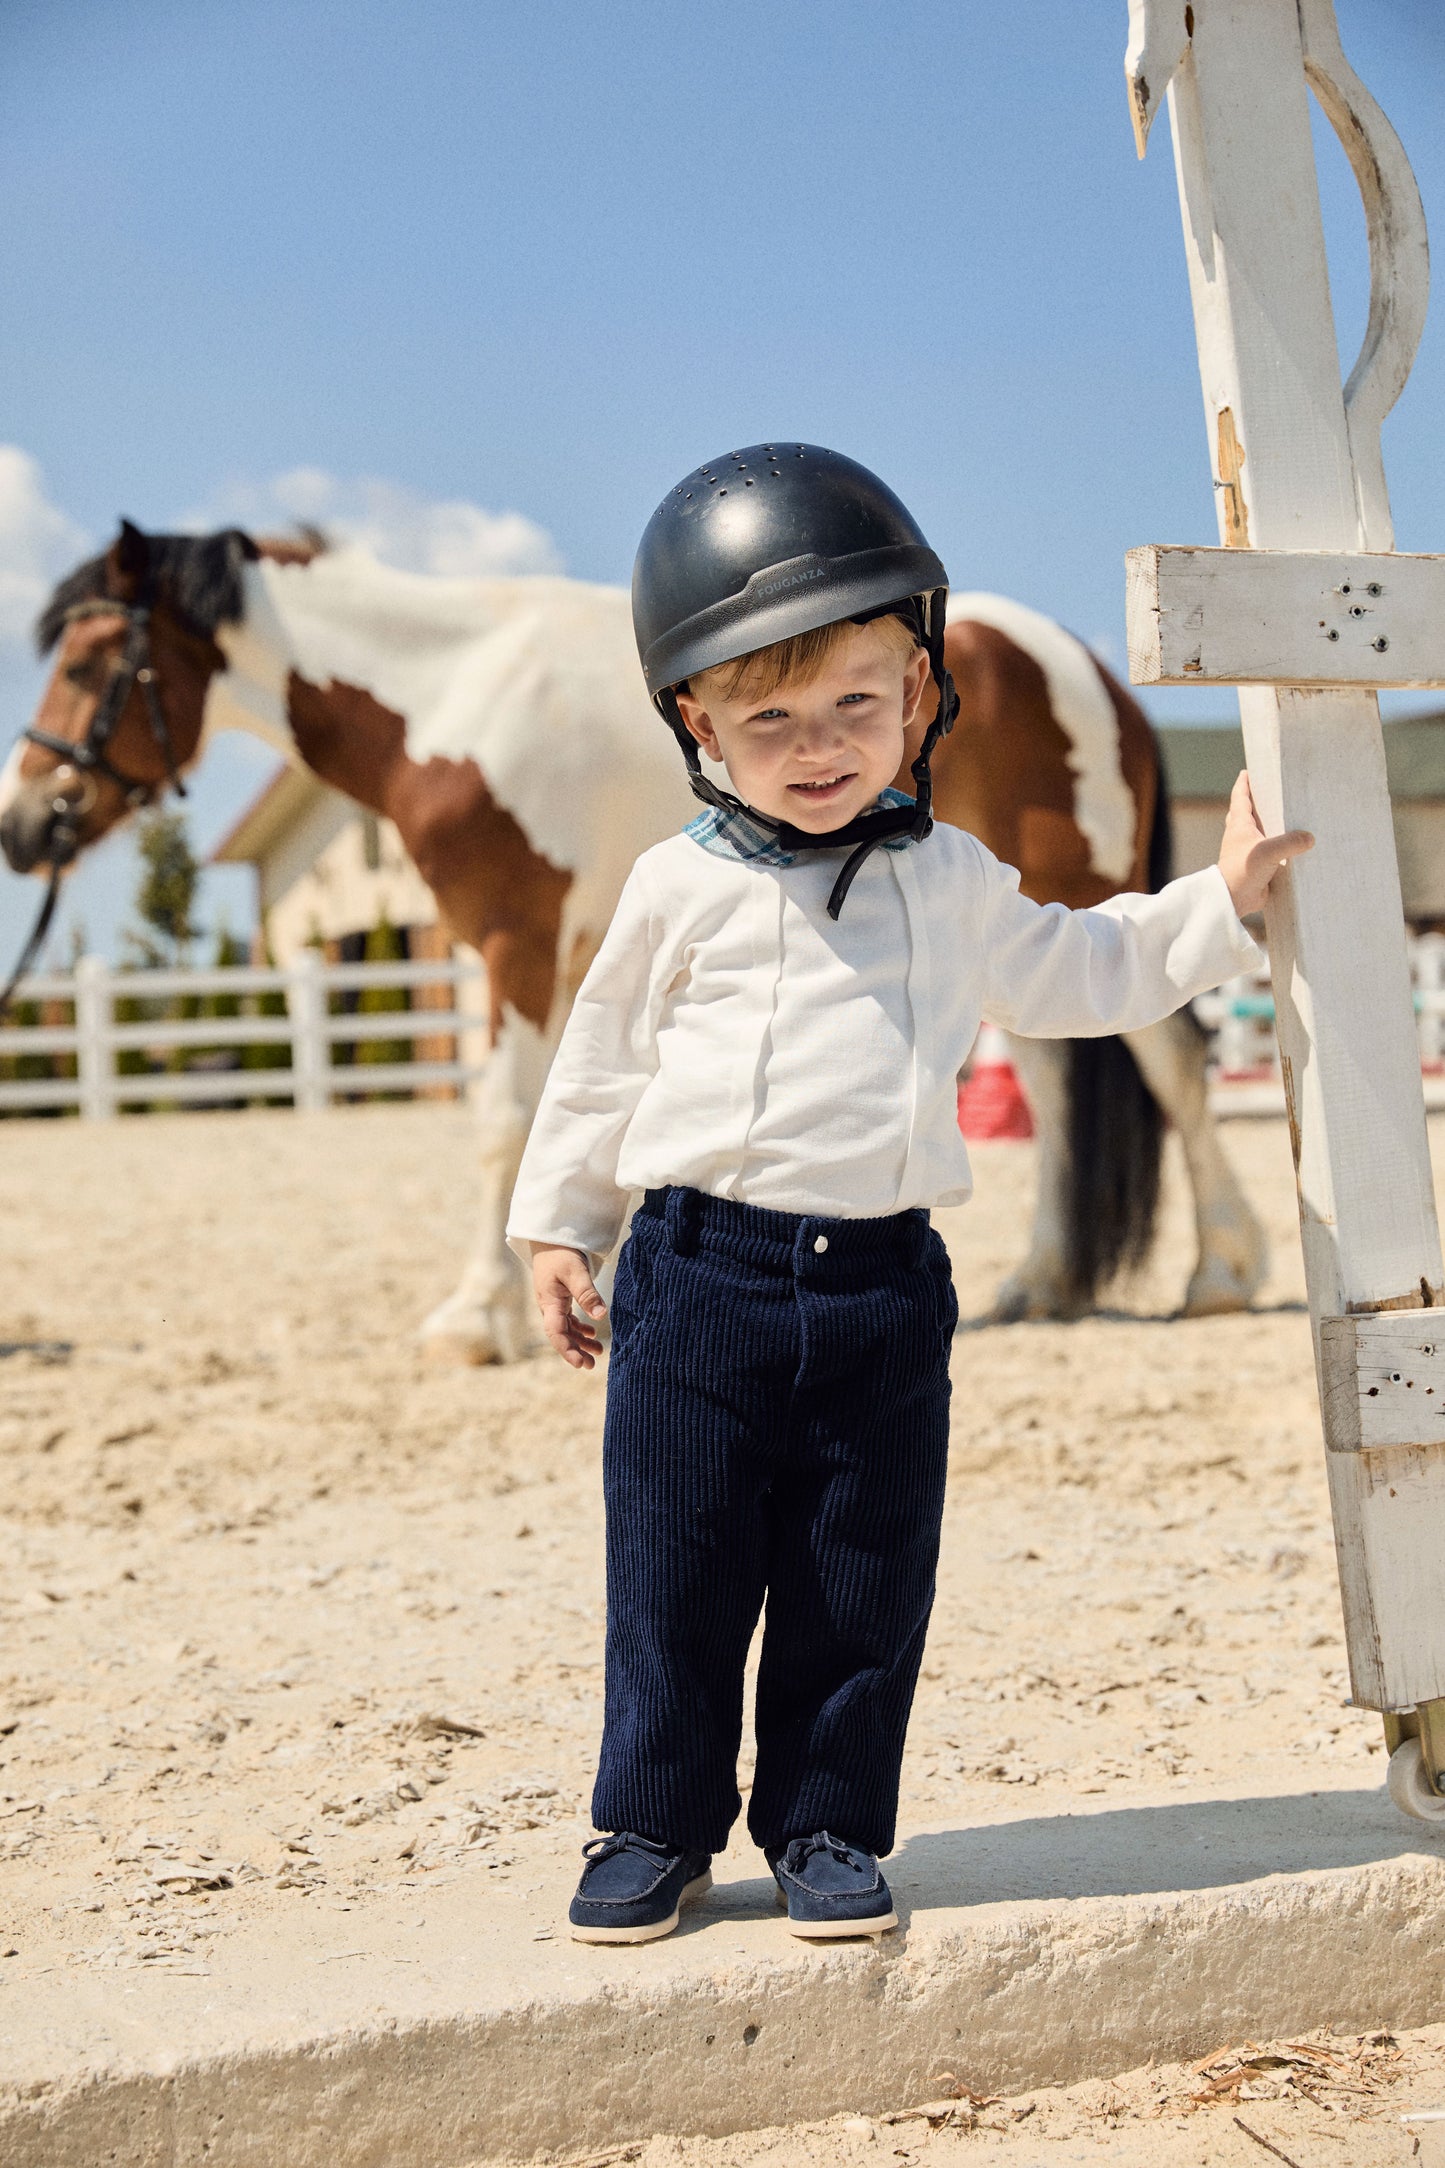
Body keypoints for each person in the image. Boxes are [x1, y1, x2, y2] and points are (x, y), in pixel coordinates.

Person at [506, 443, 1311, 1947]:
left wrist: (1223, 899)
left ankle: (822, 1825)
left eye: (854, 707)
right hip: (696, 1277)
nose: (818, 746)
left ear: (919, 697)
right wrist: (559, 1225)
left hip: (882, 1284)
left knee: (857, 1575)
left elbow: (1088, 973)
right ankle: (652, 1824)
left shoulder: (947, 878)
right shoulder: (678, 886)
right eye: (770, 718)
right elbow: (601, 1060)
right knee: (676, 1565)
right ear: (697, 723)